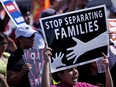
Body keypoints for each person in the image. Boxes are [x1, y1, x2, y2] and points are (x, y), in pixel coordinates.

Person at [42, 45, 114, 87]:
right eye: (70, 70)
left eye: (76, 68)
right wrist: (47, 62)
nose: (75, 72)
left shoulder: (82, 86)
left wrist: (107, 68)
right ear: (60, 75)